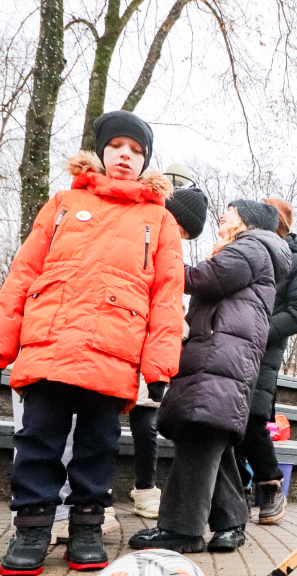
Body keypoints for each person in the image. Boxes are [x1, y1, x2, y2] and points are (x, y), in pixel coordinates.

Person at [0, 110, 185, 576]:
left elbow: (166, 297)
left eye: (136, 151)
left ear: (145, 160)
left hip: (114, 349)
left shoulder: (159, 220)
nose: (126, 157)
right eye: (118, 148)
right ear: (102, 152)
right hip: (50, 341)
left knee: (97, 446)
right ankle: (31, 530)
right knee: (37, 441)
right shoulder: (64, 203)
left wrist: (159, 368)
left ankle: (87, 528)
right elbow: (24, 272)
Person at [129, 200, 291, 553]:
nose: (222, 214)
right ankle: (231, 522)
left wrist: (158, 258)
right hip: (223, 353)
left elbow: (203, 277)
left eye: (230, 210)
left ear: (246, 221)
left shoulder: (251, 246)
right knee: (210, 434)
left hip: (221, 354)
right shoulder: (255, 249)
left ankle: (180, 529)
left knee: (199, 429)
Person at [129, 184, 209, 518]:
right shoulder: (138, 229)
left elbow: (169, 293)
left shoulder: (172, 251)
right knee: (98, 419)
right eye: (180, 228)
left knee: (147, 421)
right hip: (123, 327)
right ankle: (95, 495)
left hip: (153, 342)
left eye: (188, 235)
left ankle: (145, 487)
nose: (181, 236)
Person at [236, 197, 297, 525]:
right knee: (230, 421)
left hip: (264, 350)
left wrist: (258, 331)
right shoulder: (248, 253)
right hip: (233, 347)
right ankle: (235, 488)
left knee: (254, 420)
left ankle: (270, 486)